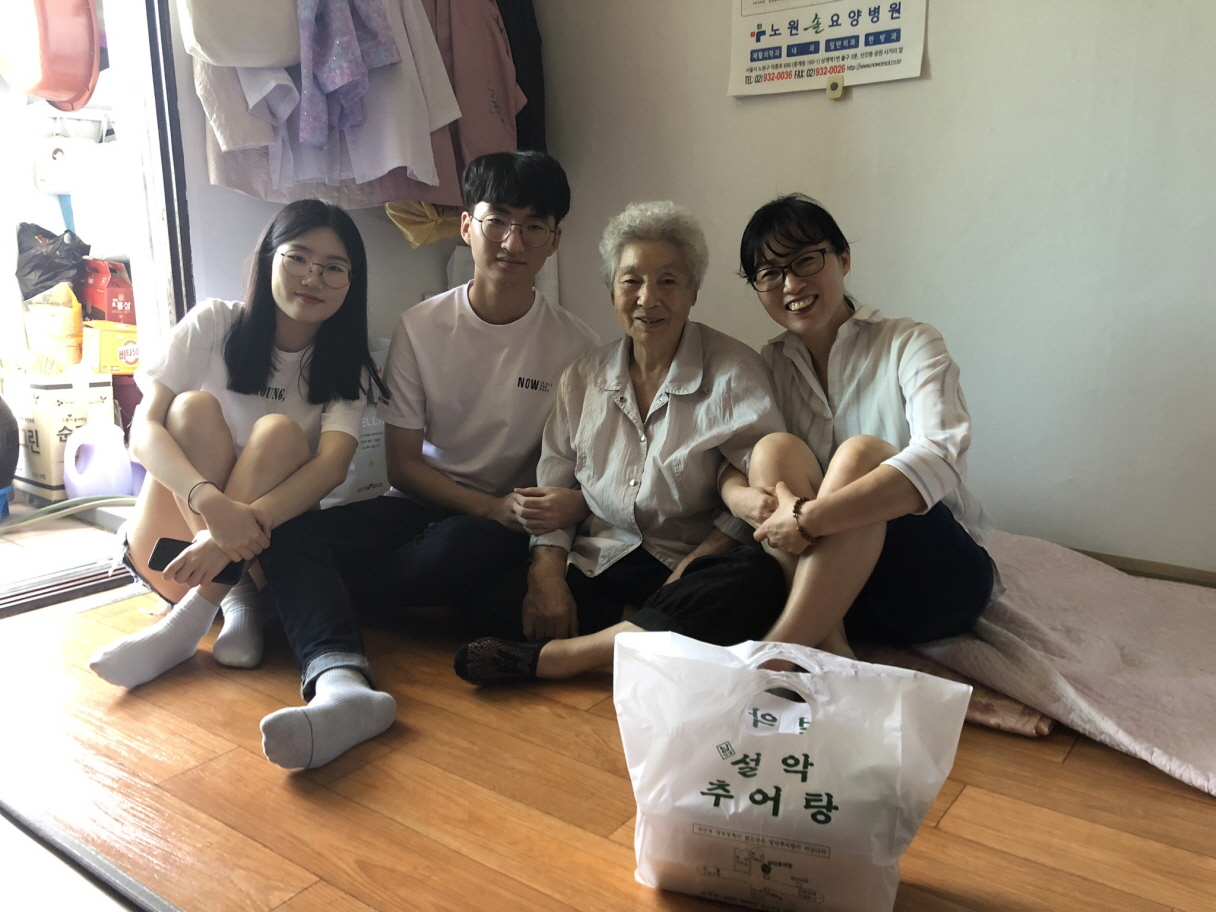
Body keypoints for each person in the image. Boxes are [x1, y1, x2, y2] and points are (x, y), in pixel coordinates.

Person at [249, 151, 598, 766]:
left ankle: (315, 599)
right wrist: (486, 506)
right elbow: (405, 467)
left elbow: (577, 472)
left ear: (555, 240)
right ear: (467, 226)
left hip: (503, 526)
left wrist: (507, 515)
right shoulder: (423, 325)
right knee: (291, 532)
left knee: (463, 548)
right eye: (497, 221)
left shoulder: (577, 345)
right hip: (419, 503)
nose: (512, 242)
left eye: (533, 226)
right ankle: (340, 678)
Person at [453, 201, 788, 686]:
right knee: (485, 597)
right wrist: (546, 576)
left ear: (693, 292)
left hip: (689, 560)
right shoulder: (582, 377)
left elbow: (755, 498)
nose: (648, 298)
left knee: (755, 581)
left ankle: (566, 657)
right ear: (612, 291)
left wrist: (695, 565)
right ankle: (649, 633)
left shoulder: (735, 372)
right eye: (631, 281)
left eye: (668, 281)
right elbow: (554, 485)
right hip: (603, 557)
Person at [88, 199, 388, 735]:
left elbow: (332, 468)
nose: (312, 277)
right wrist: (213, 508)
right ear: (270, 257)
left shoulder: (346, 362)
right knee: (190, 409)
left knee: (279, 433)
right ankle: (231, 599)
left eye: (333, 268)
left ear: (352, 282)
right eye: (298, 258)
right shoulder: (215, 322)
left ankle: (195, 619)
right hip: (173, 551)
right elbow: (143, 431)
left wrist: (226, 538)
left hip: (249, 557)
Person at [721, 194, 996, 660]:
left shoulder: (910, 343)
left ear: (843, 259)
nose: (791, 283)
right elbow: (735, 456)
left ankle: (781, 651)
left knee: (861, 454)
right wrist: (739, 497)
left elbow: (940, 457)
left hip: (931, 580)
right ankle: (828, 646)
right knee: (771, 448)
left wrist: (809, 518)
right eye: (769, 273)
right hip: (840, 595)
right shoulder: (772, 363)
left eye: (805, 260)